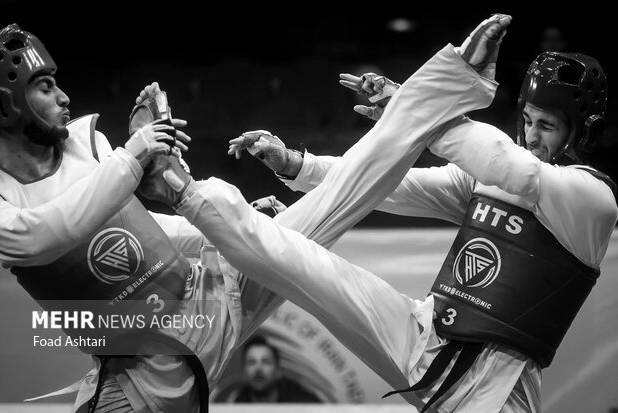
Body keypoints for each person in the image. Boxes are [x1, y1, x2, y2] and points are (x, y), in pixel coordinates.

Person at [139, 14, 575, 413]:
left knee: (284, 244)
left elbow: (512, 169)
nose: (532, 136)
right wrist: (299, 163)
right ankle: (179, 187)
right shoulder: (489, 182)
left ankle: (178, 187)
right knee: (293, 249)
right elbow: (388, 182)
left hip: (488, 388)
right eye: (529, 121)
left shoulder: (588, 197)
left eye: (546, 126)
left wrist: (411, 108)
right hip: (425, 339)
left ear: (580, 131)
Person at [229, 334, 321, 403]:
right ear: (244, 371)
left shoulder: (304, 403)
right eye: (251, 362)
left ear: (278, 371)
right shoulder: (237, 404)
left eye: (266, 362)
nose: (258, 369)